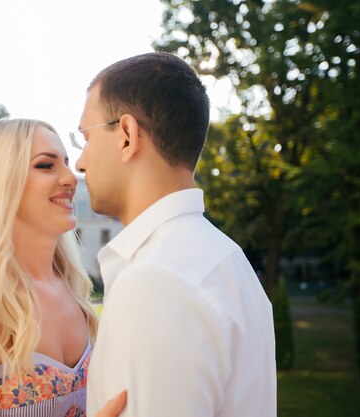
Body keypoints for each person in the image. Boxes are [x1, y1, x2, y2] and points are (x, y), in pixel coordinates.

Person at [72, 52, 277, 417]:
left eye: (85, 137)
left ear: (127, 136)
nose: (80, 162)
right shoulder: (227, 257)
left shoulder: (155, 279)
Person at [0, 118, 125, 417]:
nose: (70, 177)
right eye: (46, 165)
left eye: (66, 163)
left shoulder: (71, 286)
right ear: (0, 181)